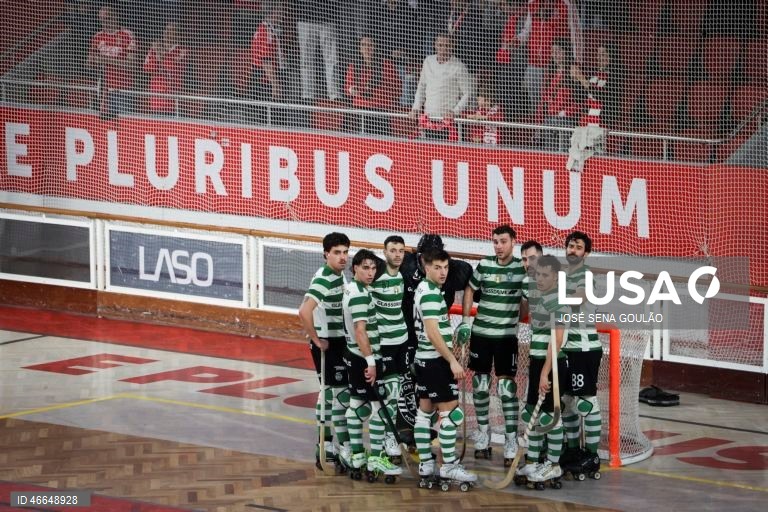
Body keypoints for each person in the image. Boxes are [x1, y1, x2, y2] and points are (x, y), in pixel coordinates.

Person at [458, 225, 526, 466]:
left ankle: (510, 440)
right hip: (481, 334)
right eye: (495, 241)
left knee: (507, 387)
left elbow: (528, 298)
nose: (498, 246)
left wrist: (520, 321)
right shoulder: (485, 265)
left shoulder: (521, 267)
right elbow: (470, 289)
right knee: (480, 383)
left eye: (503, 241)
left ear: (513, 242)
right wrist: (466, 322)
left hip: (506, 337)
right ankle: (483, 435)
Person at [413, 249, 477, 486]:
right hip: (435, 361)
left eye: (445, 267)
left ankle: (426, 463)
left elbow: (435, 328)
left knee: (425, 411)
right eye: (437, 267)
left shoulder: (423, 288)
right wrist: (451, 359)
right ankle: (448, 466)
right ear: (426, 266)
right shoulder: (430, 294)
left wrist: (453, 335)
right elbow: (432, 333)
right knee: (451, 414)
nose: (442, 272)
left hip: (423, 360)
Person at [339, 249, 403, 479]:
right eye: (365, 267)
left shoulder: (353, 289)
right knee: (378, 409)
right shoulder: (359, 295)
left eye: (373, 268)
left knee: (356, 406)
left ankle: (357, 456)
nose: (370, 272)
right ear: (354, 268)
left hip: (353, 356)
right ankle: (376, 459)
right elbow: (360, 330)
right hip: (363, 358)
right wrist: (371, 361)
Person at [297, 232, 351, 470]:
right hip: (329, 343)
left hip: (340, 342)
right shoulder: (325, 278)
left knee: (330, 392)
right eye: (337, 252)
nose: (342, 257)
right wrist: (317, 340)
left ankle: (328, 444)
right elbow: (304, 311)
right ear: (326, 254)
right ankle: (328, 445)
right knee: (333, 394)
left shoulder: (339, 276)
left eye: (345, 252)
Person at [516, 254, 568, 487]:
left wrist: (545, 372)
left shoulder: (557, 300)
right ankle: (534, 461)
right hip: (539, 363)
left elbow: (556, 340)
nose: (540, 278)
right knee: (532, 413)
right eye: (538, 274)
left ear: (556, 278)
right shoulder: (542, 298)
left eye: (545, 275)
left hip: (553, 365)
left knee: (550, 416)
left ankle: (554, 465)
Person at [560, 231, 602, 478]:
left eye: (578, 247)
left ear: (586, 254)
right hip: (567, 349)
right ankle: (574, 451)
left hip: (585, 349)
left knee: (586, 402)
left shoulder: (585, 275)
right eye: (570, 246)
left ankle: (592, 455)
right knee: (567, 403)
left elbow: (575, 300)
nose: (572, 250)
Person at [369, 236, 409, 464]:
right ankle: (386, 439)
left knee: (396, 393)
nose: (397, 254)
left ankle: (389, 437)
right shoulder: (376, 276)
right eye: (393, 250)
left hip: (400, 342)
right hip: (382, 345)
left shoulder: (401, 276)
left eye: (401, 251)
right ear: (384, 252)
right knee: (387, 394)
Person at [409, 33, 473, 140]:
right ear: (435, 45)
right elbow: (421, 87)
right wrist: (415, 108)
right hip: (428, 119)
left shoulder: (459, 66)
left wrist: (454, 111)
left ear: (452, 46)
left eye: (447, 45)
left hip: (448, 122)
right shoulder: (428, 61)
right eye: (440, 45)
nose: (443, 49)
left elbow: (468, 93)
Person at [344, 36, 402, 134]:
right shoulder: (354, 65)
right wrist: (351, 90)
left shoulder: (386, 64)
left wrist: (381, 92)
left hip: (381, 110)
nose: (367, 48)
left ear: (375, 47)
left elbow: (398, 88)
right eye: (363, 45)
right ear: (359, 48)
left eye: (370, 45)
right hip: (360, 109)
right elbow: (347, 88)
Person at [87, 5, 136, 119]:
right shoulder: (97, 37)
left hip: (123, 91)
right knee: (104, 126)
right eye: (101, 19)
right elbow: (88, 64)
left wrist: (104, 60)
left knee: (124, 127)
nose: (104, 22)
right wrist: (94, 62)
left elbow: (131, 65)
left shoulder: (127, 35)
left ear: (114, 17)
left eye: (106, 18)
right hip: (103, 90)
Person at [538, 37, 580, 150]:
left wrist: (565, 112)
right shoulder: (551, 73)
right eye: (553, 52)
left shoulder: (573, 71)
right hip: (551, 117)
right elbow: (546, 96)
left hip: (567, 118)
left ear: (566, 51)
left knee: (564, 149)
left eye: (558, 51)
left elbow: (580, 99)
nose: (556, 55)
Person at [143, 22, 187, 115]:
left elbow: (171, 69)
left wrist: (160, 54)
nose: (167, 33)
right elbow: (147, 68)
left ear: (177, 35)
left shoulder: (182, 51)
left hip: (172, 102)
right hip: (155, 101)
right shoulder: (155, 48)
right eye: (166, 30)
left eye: (171, 31)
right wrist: (158, 55)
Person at [251, 1, 287, 101]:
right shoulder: (266, 31)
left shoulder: (268, 29)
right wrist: (275, 84)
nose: (283, 14)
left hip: (265, 80)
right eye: (281, 11)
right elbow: (265, 60)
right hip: (265, 83)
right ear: (274, 12)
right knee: (270, 114)